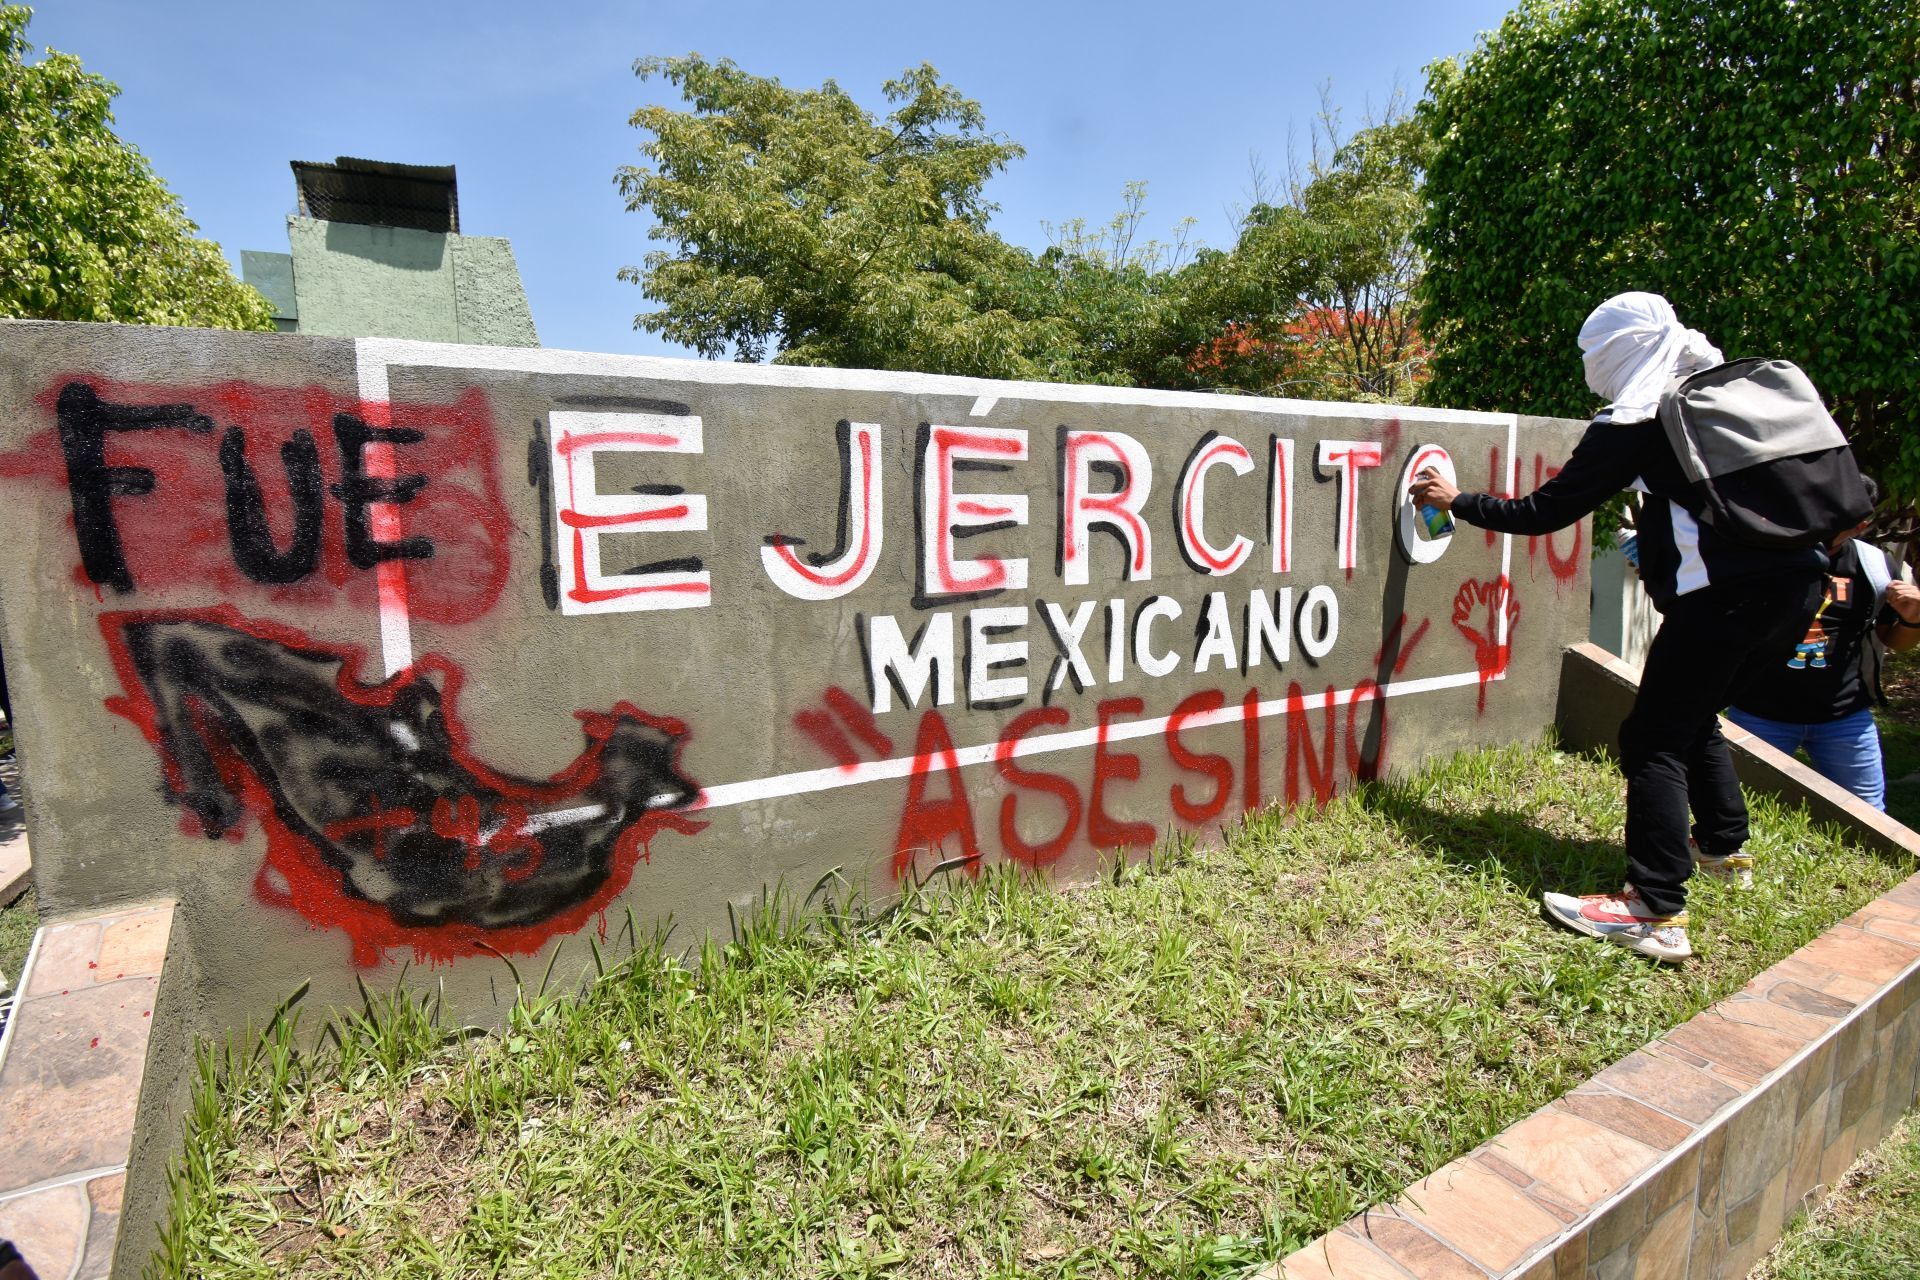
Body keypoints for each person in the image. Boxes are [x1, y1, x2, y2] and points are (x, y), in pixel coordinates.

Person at [1410, 291, 1826, 964]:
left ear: (1618, 353)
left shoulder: (1638, 418)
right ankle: (1724, 848)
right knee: (1692, 714)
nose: (1590, 370)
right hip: (1798, 587)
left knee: (1653, 737)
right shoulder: (1723, 398)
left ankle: (1654, 909)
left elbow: (1546, 511)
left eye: (1593, 356)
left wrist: (1457, 502)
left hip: (1725, 601)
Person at [1724, 477, 1920, 811]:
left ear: (1860, 525)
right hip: (1759, 711)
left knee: (1869, 818)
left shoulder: (1873, 565)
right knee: (1735, 809)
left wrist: (1913, 617)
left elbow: (1894, 642)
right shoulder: (1767, 553)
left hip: (1844, 719)